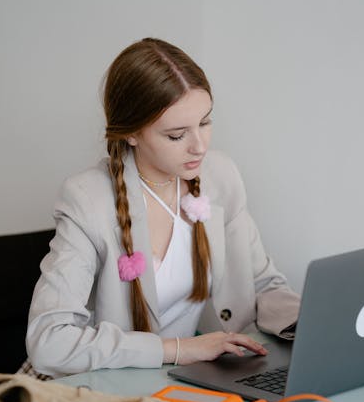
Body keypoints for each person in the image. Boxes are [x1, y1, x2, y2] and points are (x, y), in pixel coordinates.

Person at [23, 38, 300, 379]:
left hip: (165, 382)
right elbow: (49, 341)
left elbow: (262, 284)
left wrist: (311, 324)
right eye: (176, 135)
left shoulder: (220, 176)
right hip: (86, 387)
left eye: (206, 122)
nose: (200, 145)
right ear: (132, 134)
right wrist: (180, 350)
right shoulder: (87, 199)